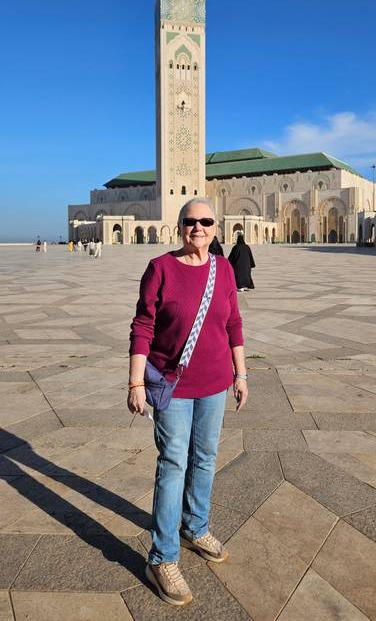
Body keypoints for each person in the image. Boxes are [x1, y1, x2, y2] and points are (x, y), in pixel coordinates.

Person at [128, 198, 248, 607]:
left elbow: (233, 322)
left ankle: (195, 527)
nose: (197, 227)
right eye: (190, 221)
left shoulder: (224, 268)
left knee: (206, 457)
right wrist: (135, 382)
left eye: (205, 221)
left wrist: (242, 373)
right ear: (179, 227)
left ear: (216, 228)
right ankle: (162, 558)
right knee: (173, 462)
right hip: (171, 385)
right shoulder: (160, 268)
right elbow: (143, 325)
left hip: (216, 383)